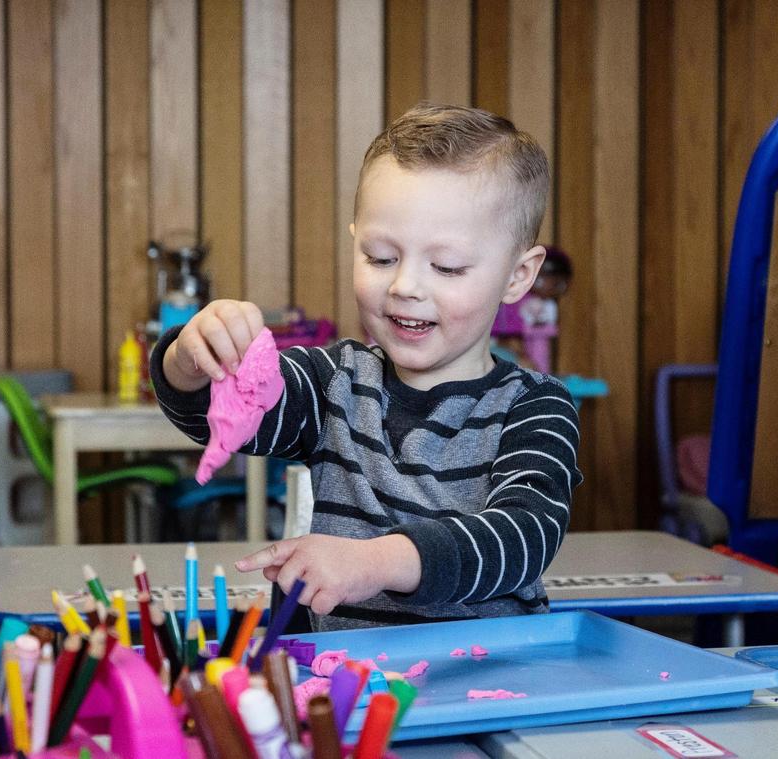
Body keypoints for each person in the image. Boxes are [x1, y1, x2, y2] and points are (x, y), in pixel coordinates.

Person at [152, 102, 583, 631]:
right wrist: (193, 357)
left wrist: (376, 561)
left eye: (446, 266)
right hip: (346, 689)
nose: (404, 286)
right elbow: (219, 414)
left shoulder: (535, 406)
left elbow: (522, 536)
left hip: (491, 683)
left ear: (518, 276)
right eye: (380, 256)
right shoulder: (334, 383)